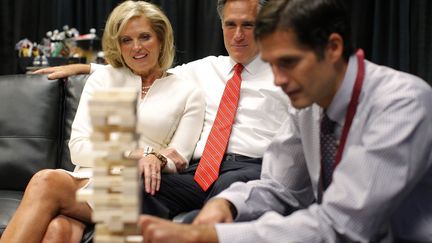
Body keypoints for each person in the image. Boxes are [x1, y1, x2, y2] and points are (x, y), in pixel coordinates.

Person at [138, 0, 432, 242]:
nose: (278, 80)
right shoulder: (309, 103)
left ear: (333, 48)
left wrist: (212, 236)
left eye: (288, 63)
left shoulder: (401, 102)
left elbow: (344, 226)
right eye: (272, 64)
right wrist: (227, 204)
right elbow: (281, 187)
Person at [35, 0, 291, 221]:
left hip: (250, 167)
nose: (238, 35)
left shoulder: (286, 75)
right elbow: (145, 67)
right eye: (230, 24)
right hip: (201, 171)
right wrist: (85, 68)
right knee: (141, 188)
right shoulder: (205, 68)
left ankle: (202, 221)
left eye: (248, 25)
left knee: (226, 191)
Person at [0, 1, 205, 243]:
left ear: (161, 39)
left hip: (135, 187)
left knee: (45, 181)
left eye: (145, 37)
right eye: (126, 40)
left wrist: (155, 158)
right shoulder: (104, 79)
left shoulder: (188, 91)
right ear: (118, 45)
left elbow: (178, 157)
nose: (136, 47)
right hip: (87, 178)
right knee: (58, 231)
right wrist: (135, 153)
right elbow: (78, 149)